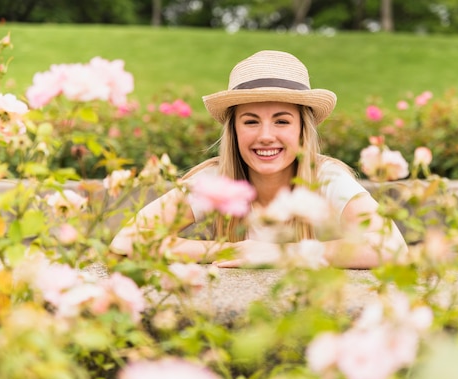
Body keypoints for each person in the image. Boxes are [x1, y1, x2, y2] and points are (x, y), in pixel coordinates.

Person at [110, 50, 407, 269]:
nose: (266, 136)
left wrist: (279, 253)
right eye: (251, 122)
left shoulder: (326, 178)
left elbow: (392, 249)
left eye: (282, 121)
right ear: (234, 130)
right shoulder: (216, 181)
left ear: (303, 129)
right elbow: (127, 240)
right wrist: (225, 250)